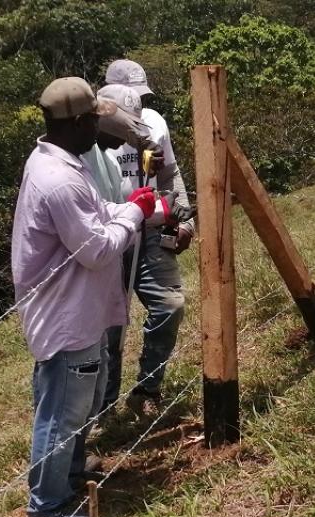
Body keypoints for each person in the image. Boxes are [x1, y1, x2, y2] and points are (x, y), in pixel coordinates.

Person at [12, 77, 168, 517]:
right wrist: (137, 213)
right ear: (79, 122)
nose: (100, 132)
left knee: (80, 402)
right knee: (61, 411)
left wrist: (132, 207)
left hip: (81, 310)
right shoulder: (58, 180)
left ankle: (73, 471)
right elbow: (97, 250)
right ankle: (48, 504)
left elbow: (97, 214)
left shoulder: (59, 164)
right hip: (67, 315)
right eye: (95, 122)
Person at [102, 59, 194, 418]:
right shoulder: (95, 135)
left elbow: (171, 173)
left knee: (170, 307)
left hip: (152, 230)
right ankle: (103, 407)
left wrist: (184, 219)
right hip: (111, 235)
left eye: (141, 97)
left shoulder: (154, 121)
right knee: (109, 327)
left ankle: (148, 388)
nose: (137, 107)